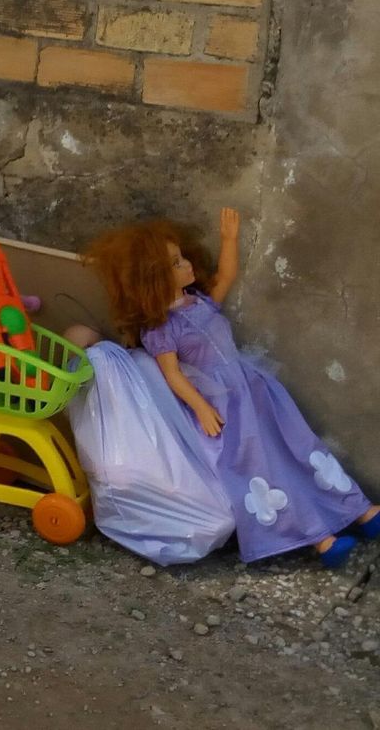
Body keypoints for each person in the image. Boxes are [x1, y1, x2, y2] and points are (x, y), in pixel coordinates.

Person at [81, 208, 380, 568]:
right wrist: (202, 408)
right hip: (227, 410)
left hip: (256, 391)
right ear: (154, 280)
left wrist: (229, 240)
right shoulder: (160, 329)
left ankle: (360, 510)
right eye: (176, 264)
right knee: (263, 471)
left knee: (300, 448)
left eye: (182, 257)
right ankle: (320, 539)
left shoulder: (200, 302)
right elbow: (173, 376)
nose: (188, 265)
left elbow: (226, 275)